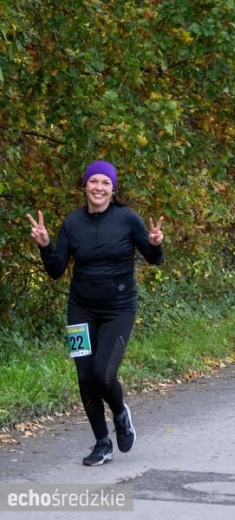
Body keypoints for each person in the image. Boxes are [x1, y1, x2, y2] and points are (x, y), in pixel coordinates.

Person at [26, 160, 164, 466]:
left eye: (105, 182)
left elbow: (154, 259)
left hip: (119, 309)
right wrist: (46, 246)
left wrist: (155, 244)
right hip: (80, 310)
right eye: (93, 181)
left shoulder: (127, 219)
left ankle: (119, 414)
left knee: (104, 373)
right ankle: (102, 443)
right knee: (85, 376)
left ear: (113, 189)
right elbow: (55, 270)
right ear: (85, 186)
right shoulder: (72, 224)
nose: (98, 187)